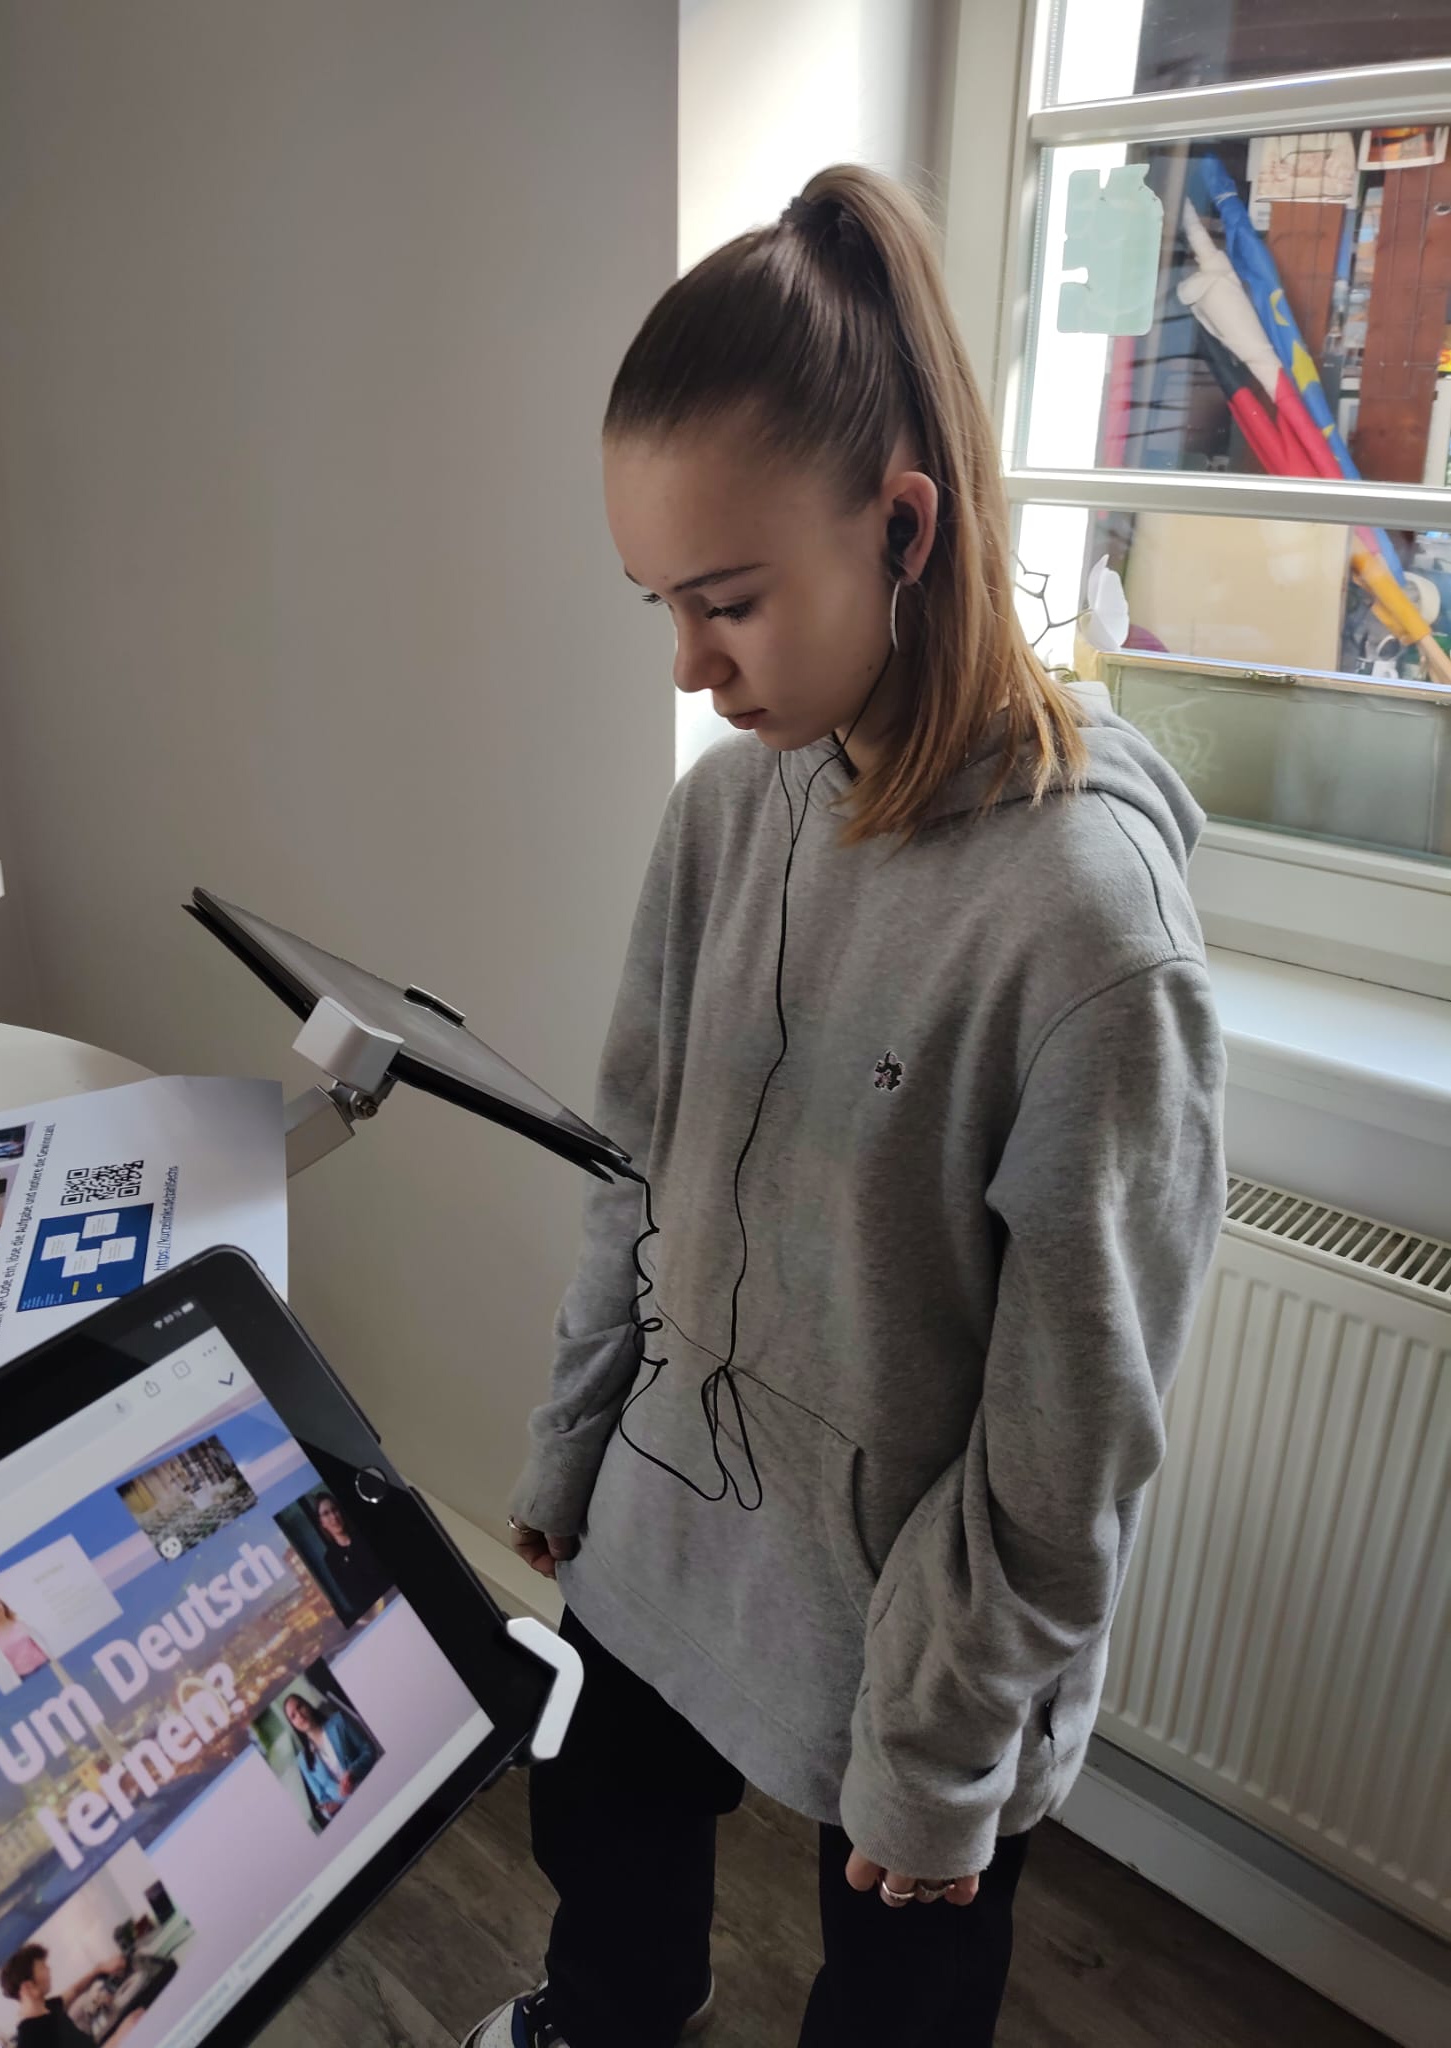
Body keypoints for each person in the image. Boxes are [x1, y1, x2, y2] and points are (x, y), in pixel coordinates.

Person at [470, 164, 1226, 2048]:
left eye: (727, 601)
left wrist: (944, 1747)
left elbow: (1068, 1442)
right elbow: (637, 1161)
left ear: (899, 524)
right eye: (661, 603)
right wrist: (573, 1444)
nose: (686, 663)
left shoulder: (1089, 934)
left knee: (898, 1994)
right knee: (601, 1836)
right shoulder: (727, 807)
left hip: (919, 1625)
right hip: (675, 1518)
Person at [0, 1943, 124, 2048]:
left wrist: (99, 1969)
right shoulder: (30, 2041)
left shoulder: (49, 2007)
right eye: (42, 1967)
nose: (48, 1969)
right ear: (28, 1987)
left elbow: (75, 1990)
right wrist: (118, 2038)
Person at [282, 1690, 379, 1824]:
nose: (299, 1715)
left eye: (300, 1707)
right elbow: (322, 1800)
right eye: (293, 1716)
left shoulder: (339, 1722)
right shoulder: (303, 1761)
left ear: (307, 1705)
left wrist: (352, 1772)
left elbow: (369, 1750)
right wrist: (329, 1809)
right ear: (293, 1725)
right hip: (351, 1816)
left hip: (372, 1789)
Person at [312, 1491, 391, 1619]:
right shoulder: (331, 1559)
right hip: (376, 1615)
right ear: (322, 1523)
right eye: (326, 1513)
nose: (333, 1516)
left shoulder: (362, 1535)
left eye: (334, 1510)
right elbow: (352, 1597)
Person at [0, 1592, 50, 1682]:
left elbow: (41, 1639)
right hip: (25, 1677)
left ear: (2, 1605)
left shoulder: (19, 1621)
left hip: (45, 1664)